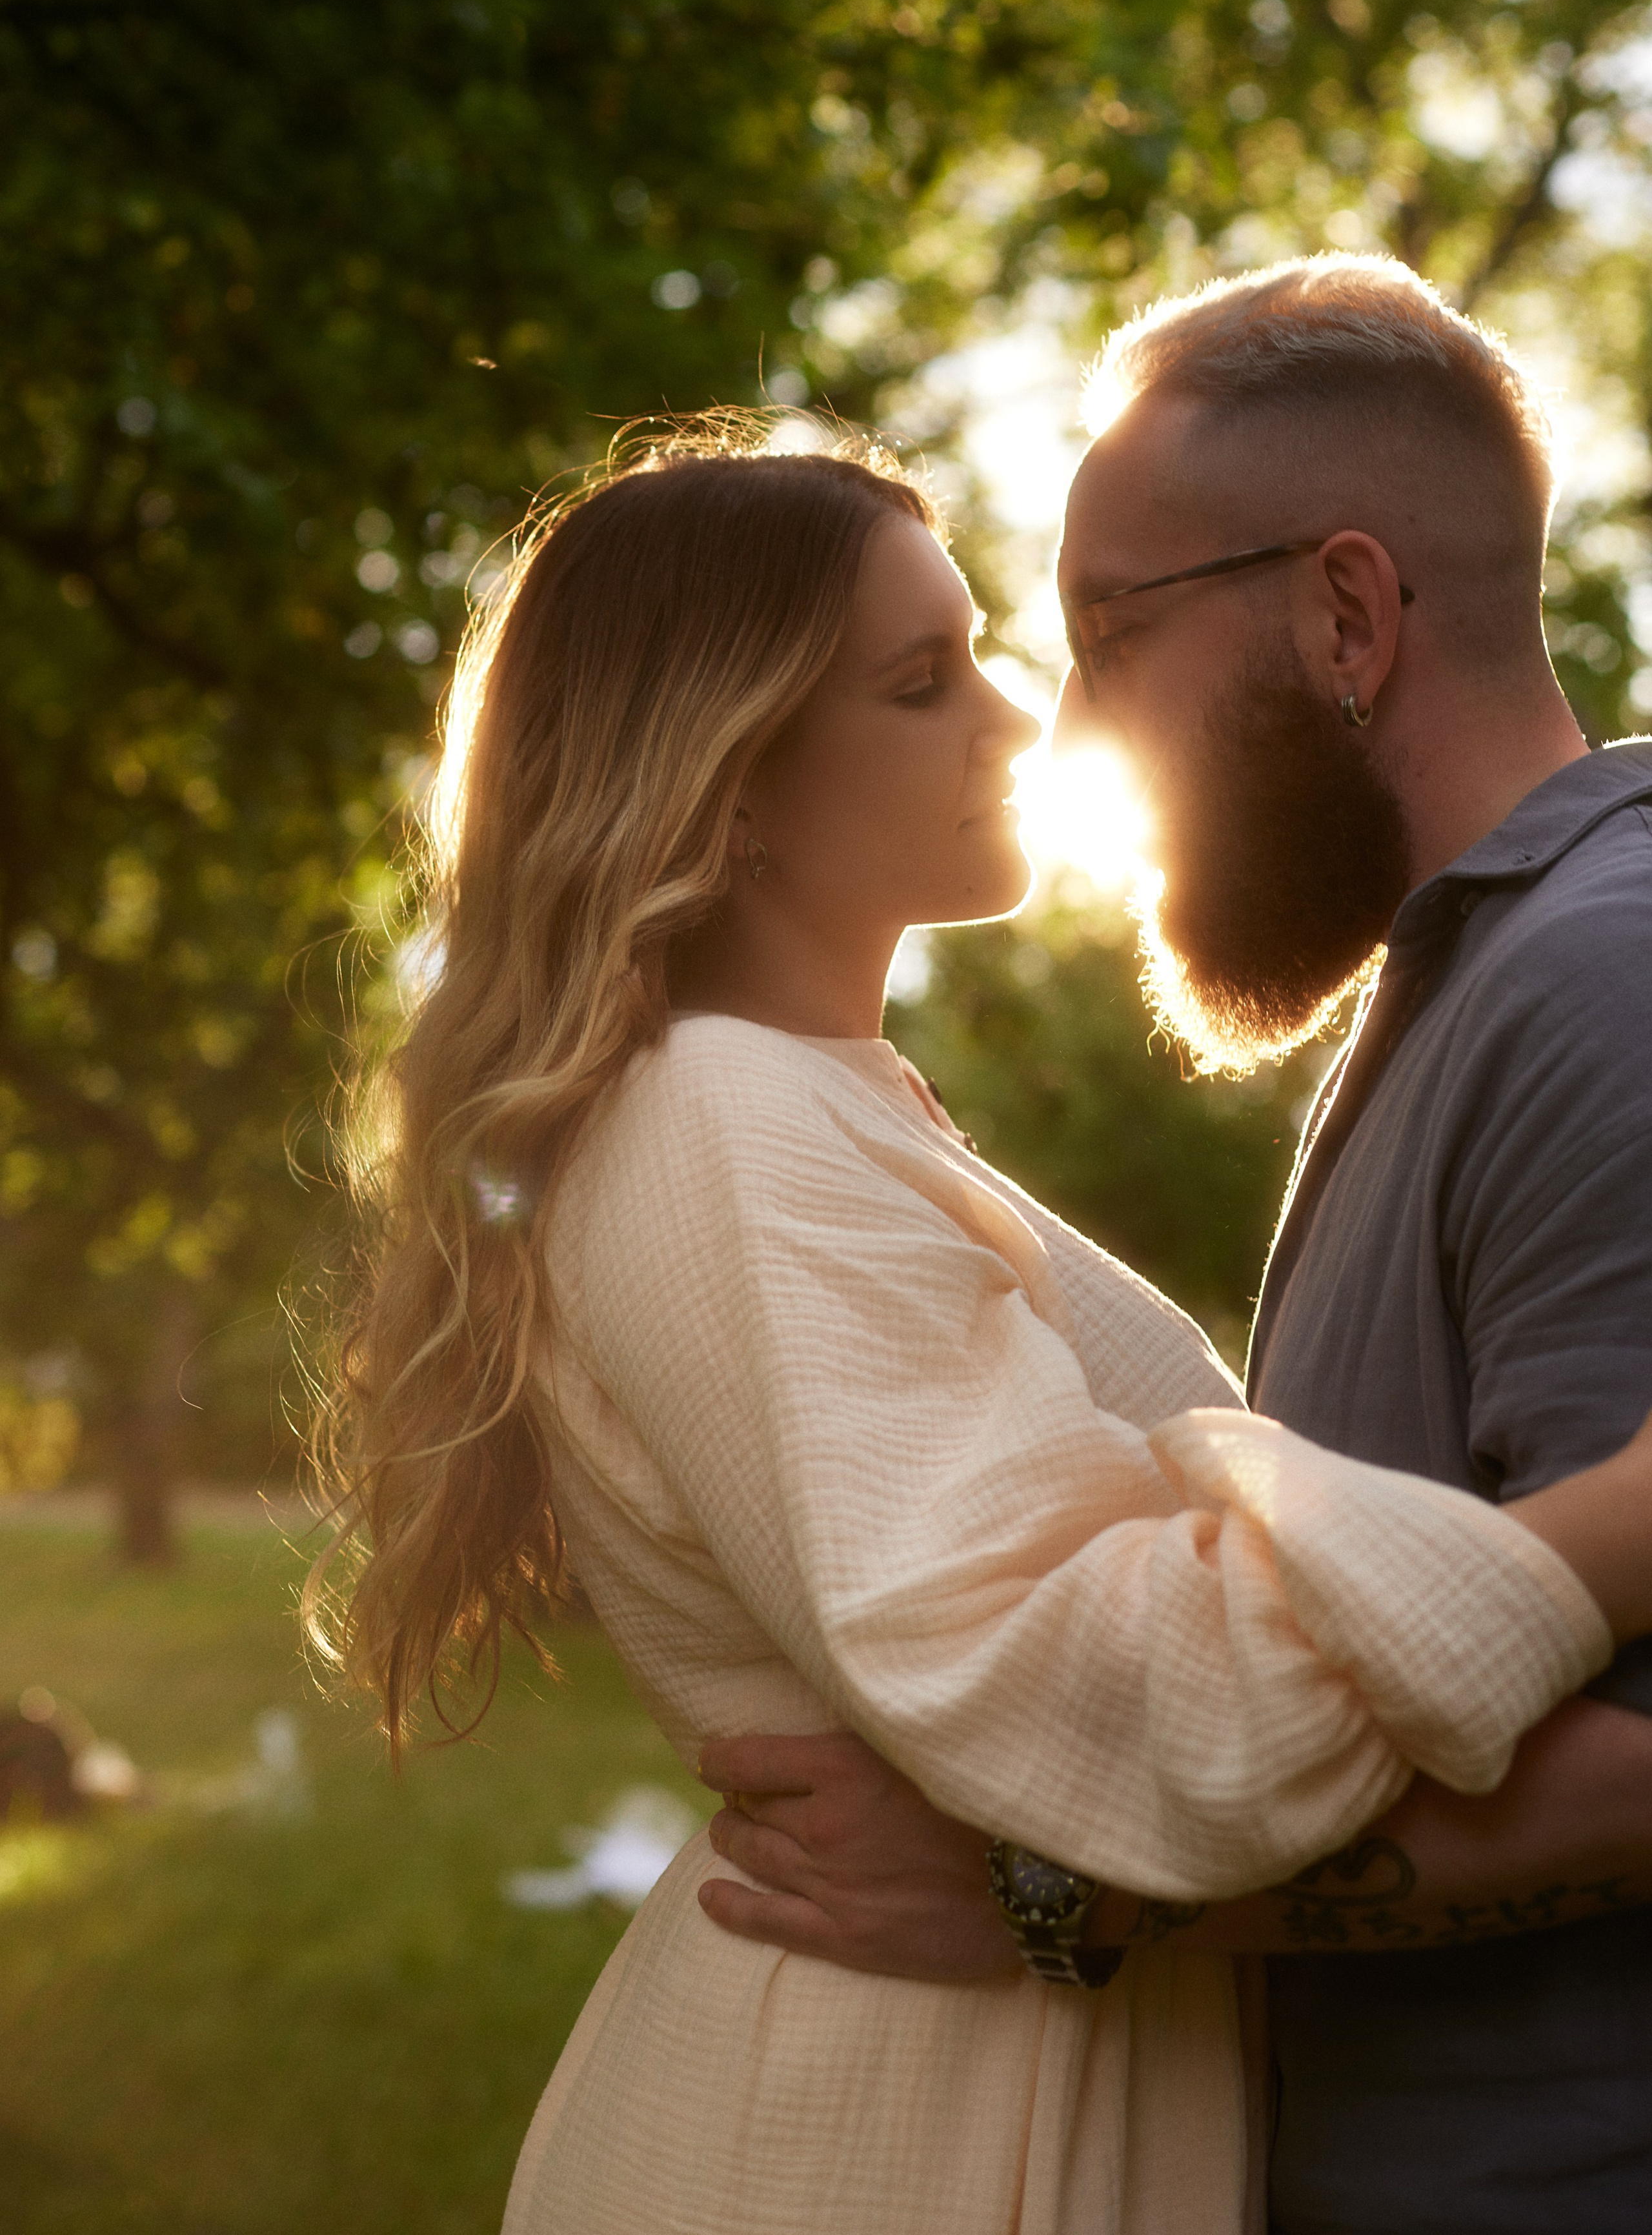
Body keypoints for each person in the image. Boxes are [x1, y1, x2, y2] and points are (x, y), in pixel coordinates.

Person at [307, 412, 1652, 2235]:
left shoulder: (823, 1110)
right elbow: (1158, 1699)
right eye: (925, 683)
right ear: (734, 776)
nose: (1021, 722)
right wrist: (1625, 1519)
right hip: (879, 2134)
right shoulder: (722, 1125)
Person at [698, 259, 1652, 2233]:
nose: (1067, 732)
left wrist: (1058, 1888)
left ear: (1349, 611)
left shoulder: (1603, 990)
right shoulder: (1466, 990)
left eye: (1108, 635)